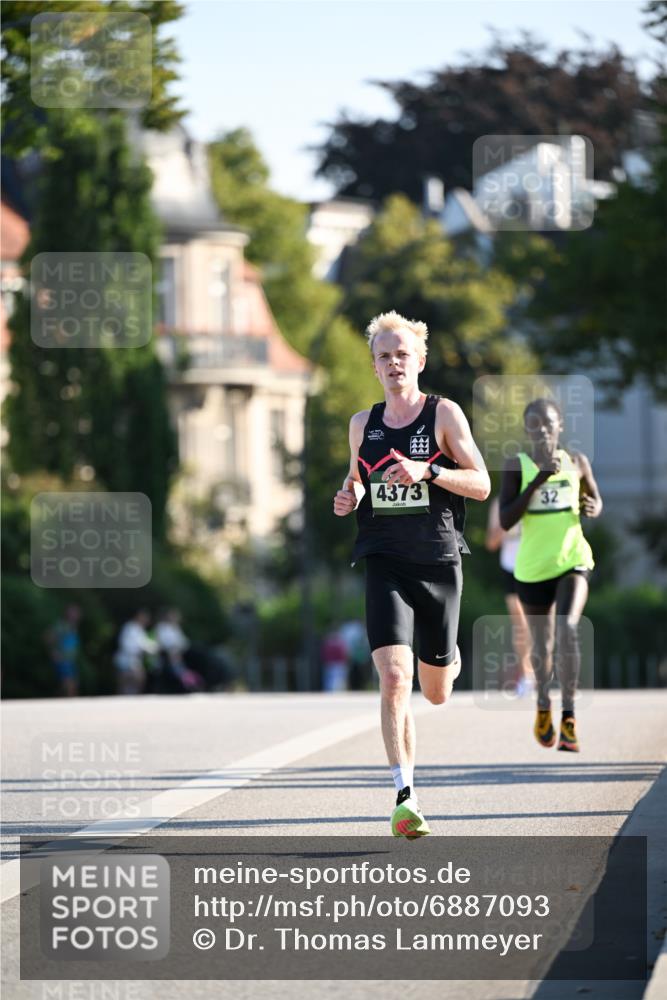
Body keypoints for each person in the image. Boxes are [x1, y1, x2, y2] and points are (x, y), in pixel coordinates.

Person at [333, 311, 490, 838]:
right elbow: (357, 478)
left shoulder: (443, 414)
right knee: (395, 679)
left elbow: (482, 483)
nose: (394, 363)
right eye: (384, 356)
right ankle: (405, 795)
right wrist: (348, 494)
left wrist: (433, 470)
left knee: (437, 691)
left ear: (420, 360)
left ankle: (446, 655)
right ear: (374, 366)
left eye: (402, 354)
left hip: (438, 560)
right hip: (383, 558)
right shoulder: (363, 424)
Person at [499, 398, 603, 752]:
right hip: (531, 569)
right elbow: (505, 520)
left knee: (568, 628)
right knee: (541, 647)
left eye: (548, 423)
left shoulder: (576, 462)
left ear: (560, 426)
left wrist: (593, 505)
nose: (541, 429)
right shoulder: (517, 466)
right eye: (534, 424)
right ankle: (544, 701)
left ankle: (569, 718)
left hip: (572, 559)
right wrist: (536, 482)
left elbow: (595, 498)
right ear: (526, 430)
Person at [485, 497, 533, 696]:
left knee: (540, 622)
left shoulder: (537, 494)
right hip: (511, 567)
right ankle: (527, 676)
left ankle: (540, 672)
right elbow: (491, 543)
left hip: (537, 565)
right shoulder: (500, 502)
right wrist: (508, 520)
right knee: (521, 624)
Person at [114, 609, 158, 696]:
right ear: (138, 616)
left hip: (134, 661)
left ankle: (131, 700)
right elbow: (128, 646)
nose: (146, 620)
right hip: (126, 661)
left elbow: (145, 644)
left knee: (138, 680)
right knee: (125, 684)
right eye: (144, 617)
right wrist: (146, 648)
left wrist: (152, 648)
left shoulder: (139, 629)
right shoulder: (130, 627)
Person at [45, 604, 82, 697]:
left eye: (76, 612)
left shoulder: (73, 627)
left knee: (69, 684)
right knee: (70, 684)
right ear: (67, 613)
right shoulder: (63, 625)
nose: (75, 615)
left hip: (70, 660)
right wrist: (53, 651)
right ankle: (71, 706)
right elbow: (48, 637)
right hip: (63, 659)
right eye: (73, 612)